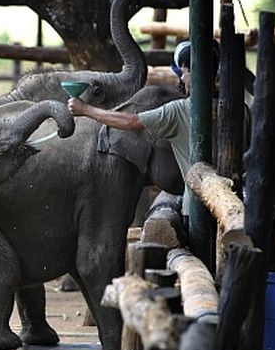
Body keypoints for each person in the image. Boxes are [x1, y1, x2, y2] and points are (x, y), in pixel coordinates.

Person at [68, 41, 217, 226]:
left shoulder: (179, 111)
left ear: (194, 73)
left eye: (184, 72)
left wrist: (86, 110)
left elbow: (130, 121)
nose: (181, 79)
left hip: (196, 209)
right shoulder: (241, 110)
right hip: (235, 207)